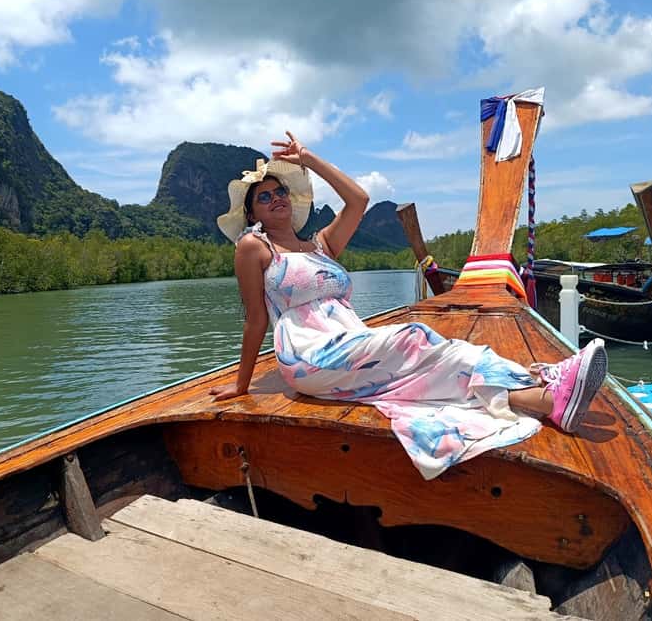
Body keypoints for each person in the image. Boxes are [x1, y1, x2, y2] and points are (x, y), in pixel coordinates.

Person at [212, 131, 607, 479]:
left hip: (350, 343)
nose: (276, 198)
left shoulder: (321, 246)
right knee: (414, 337)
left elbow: (358, 199)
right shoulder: (254, 248)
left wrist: (309, 159)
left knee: (430, 366)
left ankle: (541, 397)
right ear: (252, 213)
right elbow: (255, 320)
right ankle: (541, 381)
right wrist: (242, 385)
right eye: (264, 197)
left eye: (281, 191)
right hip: (310, 355)